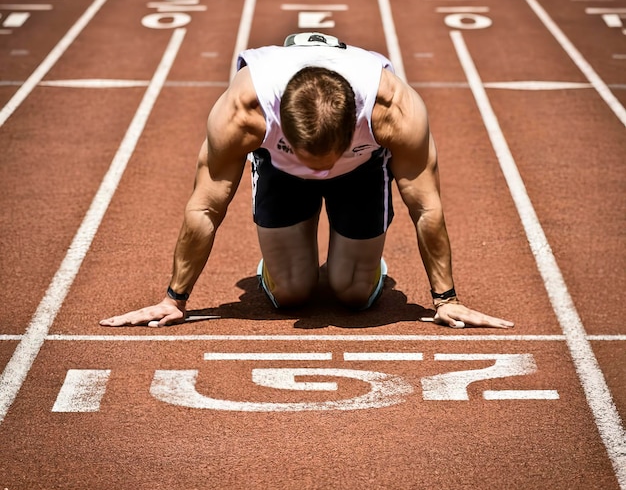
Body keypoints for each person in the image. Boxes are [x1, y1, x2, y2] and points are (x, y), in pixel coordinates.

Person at [100, 32, 514, 330]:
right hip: (281, 169)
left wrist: (446, 299)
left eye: (327, 162)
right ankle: (286, 249)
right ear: (279, 130)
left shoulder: (394, 110)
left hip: (363, 166)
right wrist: (175, 299)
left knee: (352, 295)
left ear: (355, 125)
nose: (320, 173)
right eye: (311, 162)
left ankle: (358, 259)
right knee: (291, 295)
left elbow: (425, 205)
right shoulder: (244, 113)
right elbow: (206, 205)